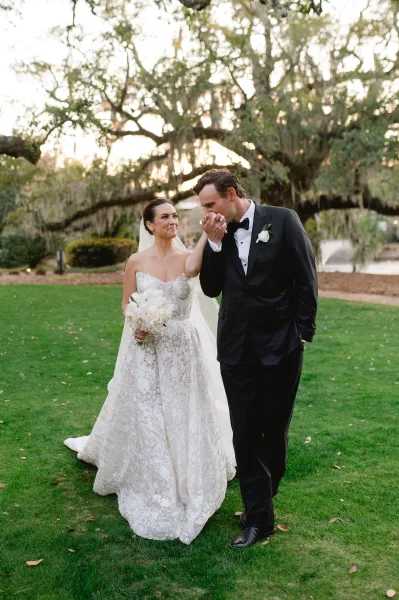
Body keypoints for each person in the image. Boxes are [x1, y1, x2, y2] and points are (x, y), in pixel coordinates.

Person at [64, 198, 235, 545]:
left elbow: (193, 270)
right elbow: (127, 301)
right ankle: (153, 475)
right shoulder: (136, 262)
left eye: (175, 215)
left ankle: (188, 475)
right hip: (146, 349)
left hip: (182, 351)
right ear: (149, 225)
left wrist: (205, 235)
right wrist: (138, 321)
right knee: (149, 413)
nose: (173, 221)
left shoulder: (187, 256)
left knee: (182, 410)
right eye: (166, 217)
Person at [196, 169, 318, 549]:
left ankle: (263, 497)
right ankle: (259, 518)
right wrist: (213, 245)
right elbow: (210, 287)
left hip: (282, 345)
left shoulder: (282, 221)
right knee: (244, 431)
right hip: (236, 348)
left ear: (231, 194)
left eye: (210, 204)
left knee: (274, 432)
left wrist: (302, 334)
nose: (206, 213)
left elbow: (306, 278)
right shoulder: (216, 234)